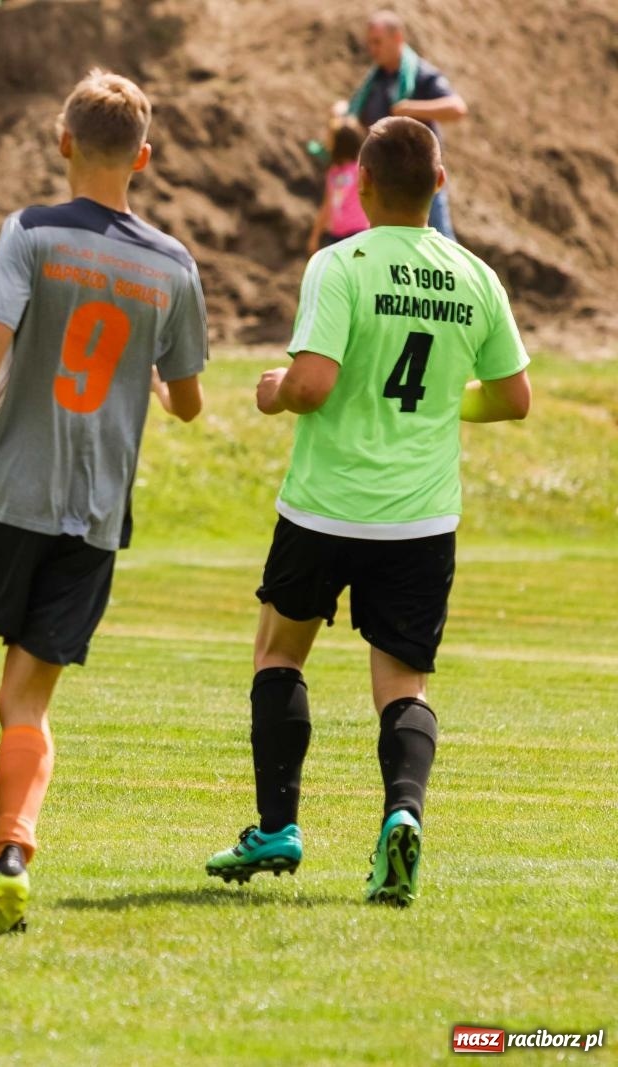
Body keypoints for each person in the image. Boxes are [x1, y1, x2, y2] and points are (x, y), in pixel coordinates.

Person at [203, 117, 531, 906]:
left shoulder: (339, 262)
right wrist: (441, 407)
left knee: (280, 653)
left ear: (361, 185)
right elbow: (515, 398)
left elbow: (312, 382)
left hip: (326, 504)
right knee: (403, 685)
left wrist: (275, 391)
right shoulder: (474, 275)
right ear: (440, 186)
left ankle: (277, 824)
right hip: (419, 518)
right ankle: (402, 816)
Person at [0, 69, 207, 932]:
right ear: (144, 159)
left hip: (8, 491)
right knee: (30, 703)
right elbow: (189, 402)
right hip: (96, 514)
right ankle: (10, 853)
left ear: (61, 141)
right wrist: (157, 388)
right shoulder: (173, 265)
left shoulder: (31, 232)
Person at [345, 10, 467, 238]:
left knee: (439, 242)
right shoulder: (374, 80)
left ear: (397, 38)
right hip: (383, 182)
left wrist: (412, 108)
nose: (373, 49)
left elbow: (457, 108)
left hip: (420, 180)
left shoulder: (421, 74)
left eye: (378, 42)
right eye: (370, 43)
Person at [307, 116, 370, 254]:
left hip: (358, 232)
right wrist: (315, 235)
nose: (327, 142)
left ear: (341, 144)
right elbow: (327, 205)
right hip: (336, 233)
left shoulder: (359, 169)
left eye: (331, 138)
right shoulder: (333, 172)